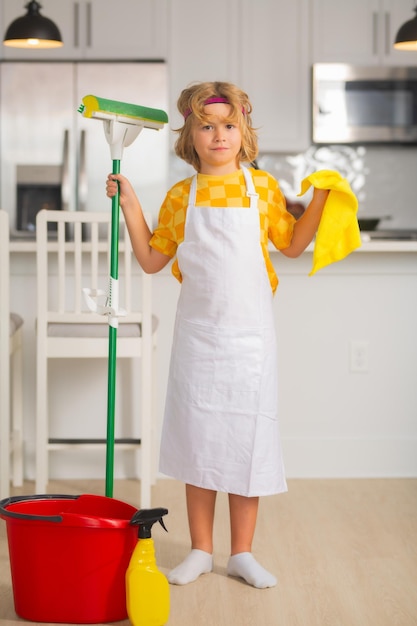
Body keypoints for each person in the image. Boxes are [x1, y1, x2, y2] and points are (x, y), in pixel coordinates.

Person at [106, 81, 329, 589]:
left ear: (244, 130)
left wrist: (319, 200)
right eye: (207, 126)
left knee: (245, 443)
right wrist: (130, 201)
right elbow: (149, 258)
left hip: (251, 341)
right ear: (190, 135)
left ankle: (242, 554)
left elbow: (292, 246)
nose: (219, 135)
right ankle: (201, 550)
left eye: (229, 125)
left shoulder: (265, 189)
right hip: (199, 340)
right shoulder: (182, 196)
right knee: (199, 444)